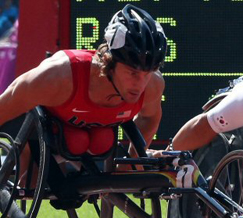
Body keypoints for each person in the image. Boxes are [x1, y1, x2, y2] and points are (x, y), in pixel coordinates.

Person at [0, 4, 166, 157]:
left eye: (147, 73)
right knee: (71, 145)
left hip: (96, 137)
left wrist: (131, 163)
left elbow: (149, 118)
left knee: (101, 141)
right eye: (132, 73)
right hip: (46, 129)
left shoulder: (153, 85)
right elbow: (5, 106)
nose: (140, 84)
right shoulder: (58, 77)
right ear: (110, 60)